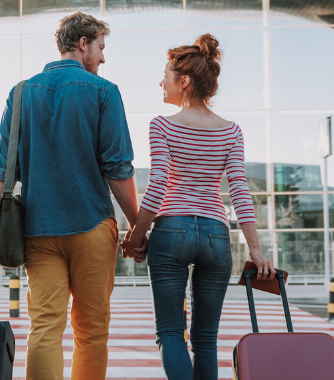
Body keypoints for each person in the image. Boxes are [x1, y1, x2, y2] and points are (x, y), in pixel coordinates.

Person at [0, 12, 142, 380]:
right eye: (100, 48)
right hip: (92, 226)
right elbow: (118, 168)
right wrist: (138, 227)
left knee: (45, 327)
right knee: (92, 331)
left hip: (38, 231)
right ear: (83, 44)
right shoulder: (104, 92)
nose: (103, 58)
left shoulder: (20, 93)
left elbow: (2, 170)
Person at [121, 34, 273, 380]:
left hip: (172, 231)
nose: (161, 81)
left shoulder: (162, 125)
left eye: (166, 75)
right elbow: (238, 190)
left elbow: (158, 185)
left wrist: (135, 237)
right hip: (216, 236)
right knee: (206, 339)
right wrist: (256, 249)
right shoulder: (231, 131)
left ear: (184, 81)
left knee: (171, 333)